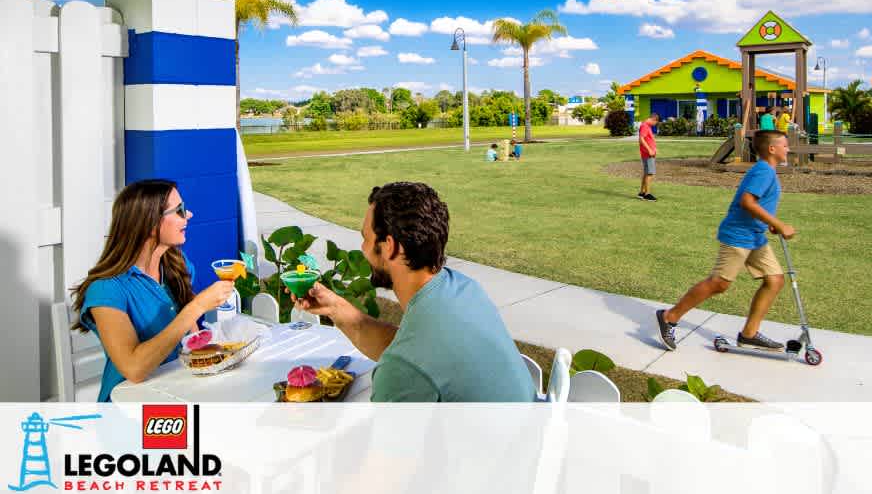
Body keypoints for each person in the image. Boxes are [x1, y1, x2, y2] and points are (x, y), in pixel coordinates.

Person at [295, 182, 536, 402]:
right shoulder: (462, 288)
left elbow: (408, 364)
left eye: (366, 238)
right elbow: (408, 352)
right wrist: (334, 307)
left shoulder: (406, 366)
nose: (362, 248)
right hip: (527, 437)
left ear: (389, 246)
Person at [71, 179, 236, 402]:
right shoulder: (106, 289)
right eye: (179, 210)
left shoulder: (176, 265)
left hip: (178, 390)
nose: (189, 215)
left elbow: (193, 341)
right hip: (129, 406)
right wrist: (196, 307)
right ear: (150, 223)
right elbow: (134, 369)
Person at [655, 130, 796, 351]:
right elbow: (747, 202)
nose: (788, 149)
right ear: (772, 149)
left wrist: (767, 222)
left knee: (775, 280)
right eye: (785, 145)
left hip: (755, 235)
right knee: (719, 283)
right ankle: (669, 317)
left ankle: (749, 334)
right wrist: (779, 225)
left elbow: (758, 204)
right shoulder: (764, 172)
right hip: (739, 235)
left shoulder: (767, 171)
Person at [637, 112, 659, 201]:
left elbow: (648, 139)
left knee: (647, 173)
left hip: (648, 153)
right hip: (647, 154)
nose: (655, 125)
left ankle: (642, 192)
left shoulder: (646, 126)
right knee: (650, 173)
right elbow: (641, 139)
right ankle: (647, 194)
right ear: (654, 120)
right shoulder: (645, 126)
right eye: (655, 123)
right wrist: (650, 150)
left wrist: (654, 148)